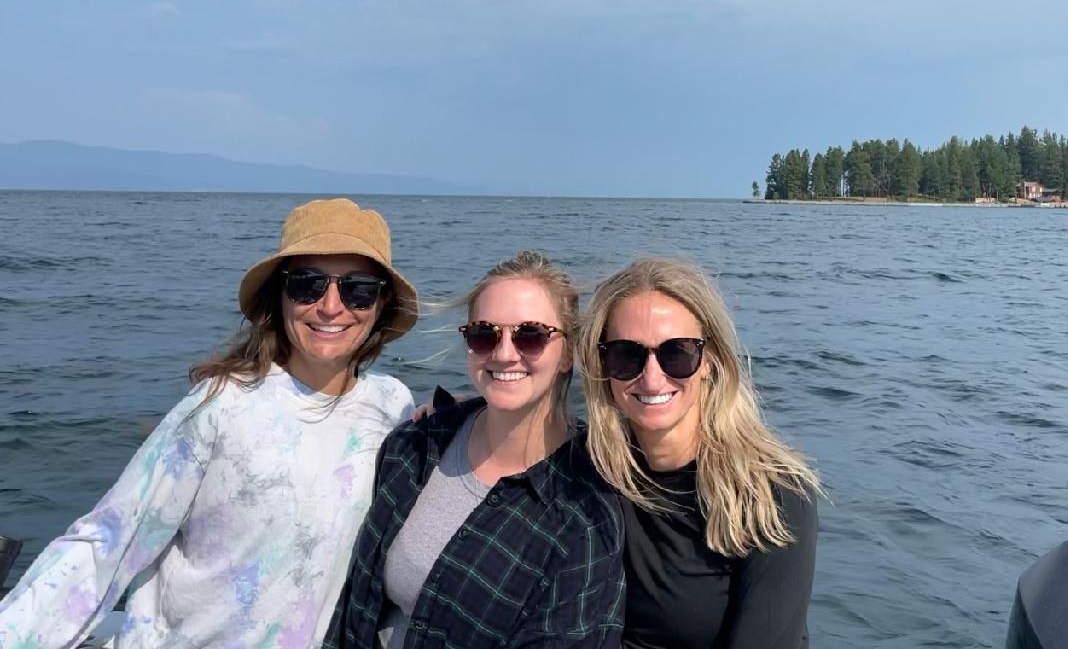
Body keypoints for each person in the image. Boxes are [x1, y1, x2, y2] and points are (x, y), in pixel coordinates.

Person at [0, 198, 419, 648]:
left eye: (358, 289)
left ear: (381, 304)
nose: (331, 306)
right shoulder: (222, 404)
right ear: (278, 297)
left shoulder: (392, 404)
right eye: (308, 284)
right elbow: (111, 538)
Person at [324, 250, 624, 649]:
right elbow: (356, 609)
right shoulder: (414, 447)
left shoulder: (584, 510)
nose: (503, 353)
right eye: (484, 334)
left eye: (530, 335)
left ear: (568, 352)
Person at [579, 258, 821, 649]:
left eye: (677, 353)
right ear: (602, 365)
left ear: (709, 361)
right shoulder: (585, 470)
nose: (653, 377)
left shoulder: (771, 497)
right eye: (627, 355)